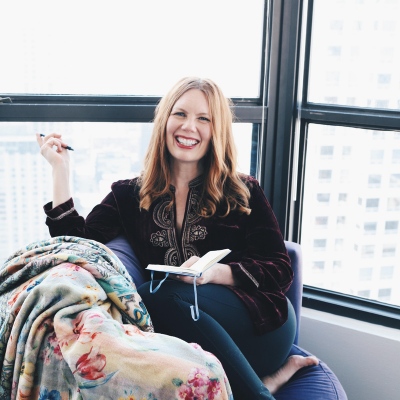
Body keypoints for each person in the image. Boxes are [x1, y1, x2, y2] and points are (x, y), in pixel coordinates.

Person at [37, 76, 318, 399]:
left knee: (157, 297)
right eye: (180, 114)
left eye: (203, 119)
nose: (189, 127)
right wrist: (60, 171)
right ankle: (264, 384)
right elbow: (79, 248)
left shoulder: (242, 190)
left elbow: (279, 268)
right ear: (165, 120)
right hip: (184, 343)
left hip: (259, 326)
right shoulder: (128, 194)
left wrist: (214, 274)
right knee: (155, 307)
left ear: (217, 131)